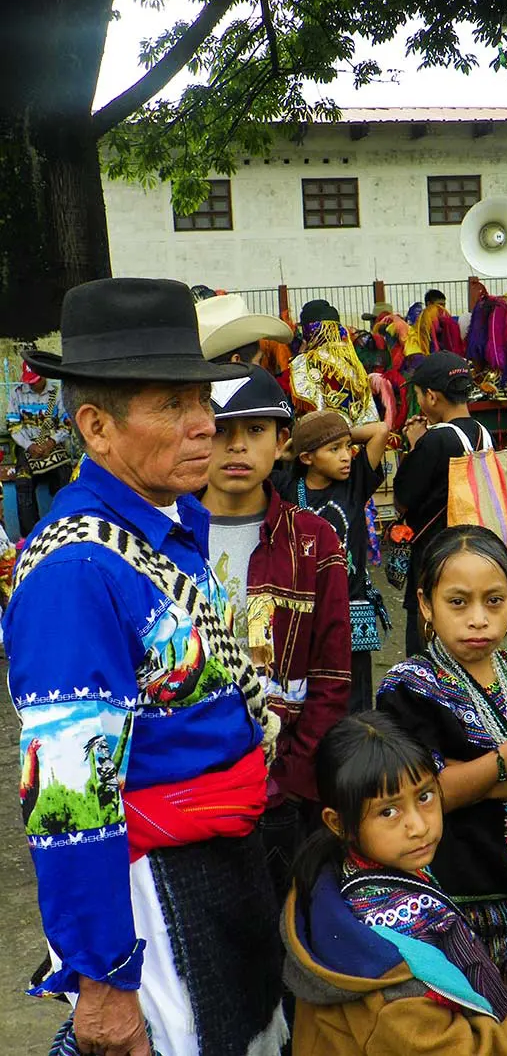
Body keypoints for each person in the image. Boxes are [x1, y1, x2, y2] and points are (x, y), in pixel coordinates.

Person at [5, 278, 286, 1056]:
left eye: (203, 396)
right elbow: (68, 798)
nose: (207, 425)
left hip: (222, 867)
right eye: (172, 404)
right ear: (96, 425)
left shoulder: (169, 523)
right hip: (155, 901)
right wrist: (102, 979)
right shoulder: (76, 574)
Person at [282, 711, 507, 1055]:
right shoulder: (391, 966)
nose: (418, 825)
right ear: (338, 824)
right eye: (388, 811)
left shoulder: (337, 881)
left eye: (425, 796)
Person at [377, 526, 507, 1003]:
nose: (478, 620)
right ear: (426, 605)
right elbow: (425, 793)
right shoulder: (407, 688)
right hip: (454, 901)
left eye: (494, 601)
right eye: (458, 602)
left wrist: (476, 779)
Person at [200, 366, 351, 900]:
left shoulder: (314, 540)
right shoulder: (166, 539)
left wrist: (291, 777)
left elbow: (333, 675)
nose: (236, 446)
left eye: (256, 430)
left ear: (284, 442)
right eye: (220, 429)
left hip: (282, 788)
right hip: (191, 782)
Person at [273, 410, 390, 713]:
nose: (346, 456)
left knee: (356, 696)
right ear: (307, 458)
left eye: (347, 447)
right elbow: (260, 470)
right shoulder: (287, 489)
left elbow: (380, 430)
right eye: (334, 449)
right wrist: (287, 450)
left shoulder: (355, 483)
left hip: (351, 606)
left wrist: (340, 433)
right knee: (311, 690)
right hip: (305, 608)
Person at [393, 351, 488, 656]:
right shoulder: (483, 433)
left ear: (432, 397)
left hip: (433, 558)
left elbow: (403, 498)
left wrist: (414, 443)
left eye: (419, 395)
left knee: (427, 648)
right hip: (473, 551)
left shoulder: (436, 440)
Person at [6, 361, 72, 536]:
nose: (32, 384)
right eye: (30, 380)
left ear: (43, 376)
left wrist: (51, 442)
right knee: (23, 482)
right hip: (27, 447)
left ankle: (67, 527)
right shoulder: (16, 393)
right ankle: (31, 535)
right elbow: (13, 426)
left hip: (53, 445)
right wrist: (29, 445)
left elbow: (67, 425)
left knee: (64, 478)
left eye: (35, 380)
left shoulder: (56, 394)